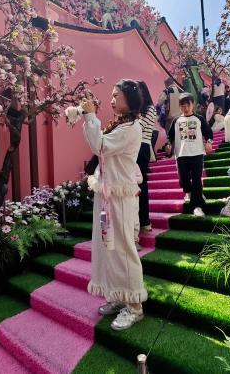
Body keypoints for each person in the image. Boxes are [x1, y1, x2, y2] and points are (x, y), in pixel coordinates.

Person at [80, 79, 146, 330]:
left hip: (120, 198)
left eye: (116, 95)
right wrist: (88, 117)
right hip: (107, 195)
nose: (112, 99)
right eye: (112, 94)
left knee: (123, 249)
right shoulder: (120, 124)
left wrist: (90, 116)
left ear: (130, 98)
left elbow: (100, 146)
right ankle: (119, 296)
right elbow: (99, 147)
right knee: (108, 246)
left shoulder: (131, 127)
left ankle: (135, 306)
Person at [167, 93, 213, 217]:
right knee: (184, 180)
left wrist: (209, 142)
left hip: (197, 153)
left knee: (197, 180)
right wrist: (169, 145)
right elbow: (170, 136)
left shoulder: (199, 119)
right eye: (183, 106)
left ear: (193, 104)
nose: (186, 108)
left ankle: (197, 207)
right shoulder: (176, 120)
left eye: (188, 105)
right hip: (181, 154)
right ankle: (189, 191)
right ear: (180, 106)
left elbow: (208, 133)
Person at [135, 81, 157, 248]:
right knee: (139, 185)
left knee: (140, 185)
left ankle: (144, 222)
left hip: (141, 146)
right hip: (138, 146)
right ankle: (143, 222)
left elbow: (139, 127)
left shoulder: (148, 108)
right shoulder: (143, 108)